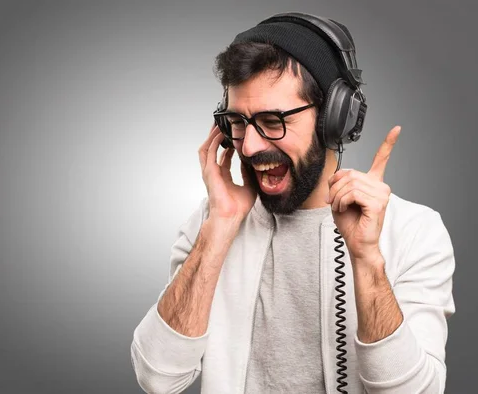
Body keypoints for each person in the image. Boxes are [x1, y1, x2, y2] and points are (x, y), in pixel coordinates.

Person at [131, 12, 455, 394]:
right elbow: (158, 378)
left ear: (333, 118)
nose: (249, 147)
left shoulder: (414, 231)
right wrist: (219, 227)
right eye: (237, 121)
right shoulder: (213, 222)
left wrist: (367, 260)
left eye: (272, 121)